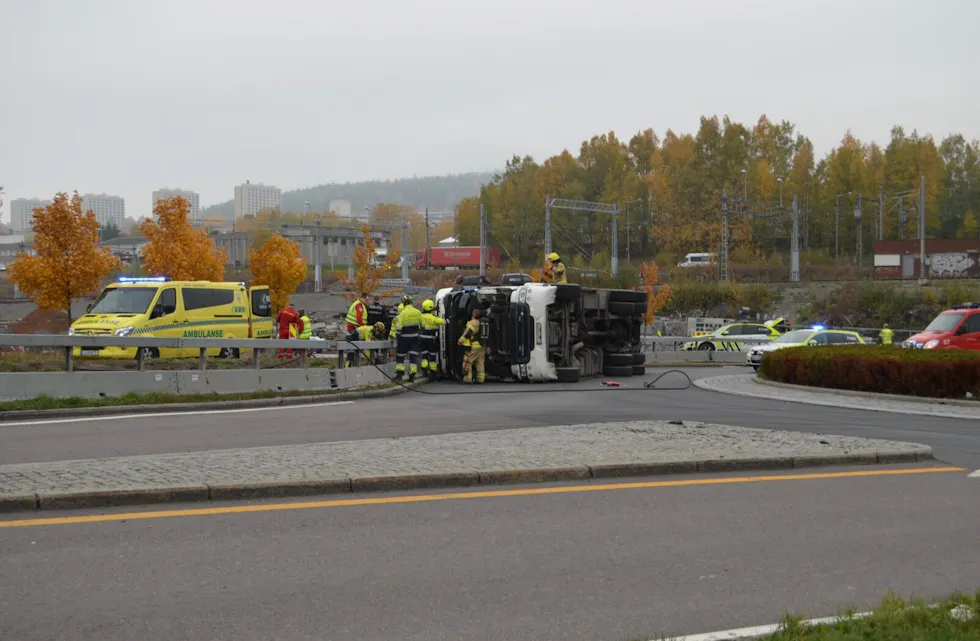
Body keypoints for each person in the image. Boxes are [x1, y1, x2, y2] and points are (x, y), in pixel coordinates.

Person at [392, 295, 422, 381]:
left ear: (403, 303)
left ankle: (400, 374)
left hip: (404, 339)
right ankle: (412, 373)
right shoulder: (418, 312)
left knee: (400, 356)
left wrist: (398, 338)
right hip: (415, 339)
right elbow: (422, 325)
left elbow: (398, 329)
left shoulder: (402, 313)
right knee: (413, 356)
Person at [419, 299, 446, 379]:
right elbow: (443, 322)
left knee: (424, 356)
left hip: (422, 339)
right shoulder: (433, 318)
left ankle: (424, 372)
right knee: (432, 357)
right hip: (431, 339)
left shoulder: (420, 316)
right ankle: (433, 373)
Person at [457, 308, 485, 384]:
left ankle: (467, 379)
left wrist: (460, 341)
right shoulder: (482, 322)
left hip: (474, 345)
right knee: (480, 362)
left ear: (475, 315)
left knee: (468, 361)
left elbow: (468, 333)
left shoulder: (473, 323)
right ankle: (481, 379)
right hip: (482, 345)